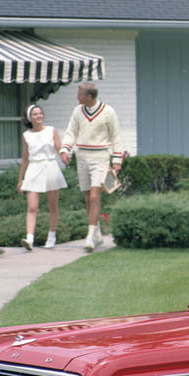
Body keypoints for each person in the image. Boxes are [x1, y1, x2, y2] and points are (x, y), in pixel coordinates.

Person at [59, 82, 123, 252]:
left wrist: (117, 160)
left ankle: (90, 237)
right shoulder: (77, 111)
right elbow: (71, 132)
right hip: (82, 157)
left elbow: (116, 136)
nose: (76, 97)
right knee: (88, 198)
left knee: (95, 196)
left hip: (100, 157)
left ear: (88, 96)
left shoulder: (108, 111)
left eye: (79, 94)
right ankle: (97, 233)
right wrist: (65, 149)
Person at [17, 105, 67, 251]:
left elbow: (59, 148)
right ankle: (29, 238)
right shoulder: (26, 135)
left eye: (40, 113)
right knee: (32, 207)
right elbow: (25, 158)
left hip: (50, 167)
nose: (38, 116)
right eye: (35, 114)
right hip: (34, 169)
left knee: (53, 206)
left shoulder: (51, 130)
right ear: (29, 118)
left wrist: (64, 157)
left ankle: (51, 236)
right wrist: (21, 179)